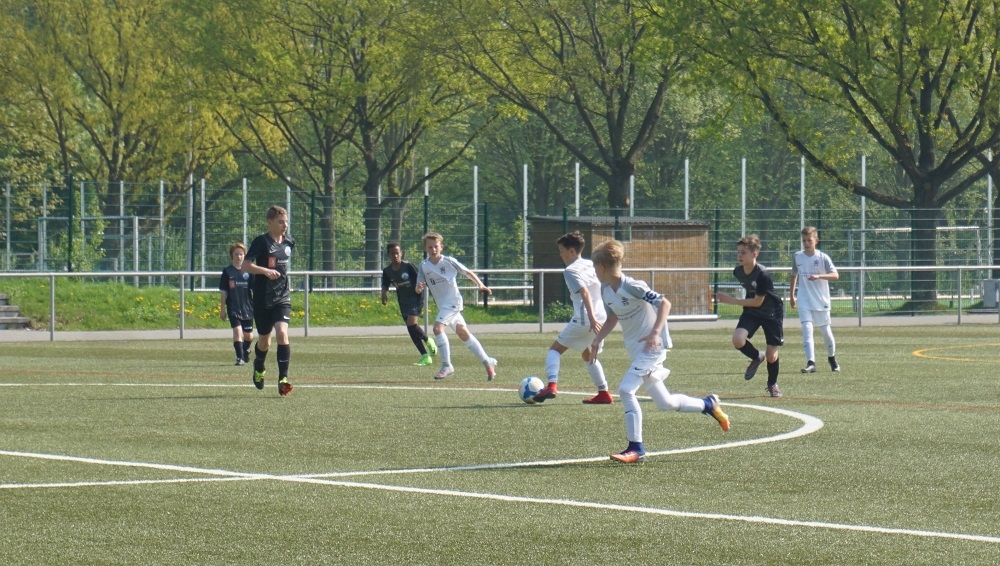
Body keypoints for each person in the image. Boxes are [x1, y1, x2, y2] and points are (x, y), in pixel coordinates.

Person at [589, 239, 730, 464]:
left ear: (601, 267)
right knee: (665, 403)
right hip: (636, 350)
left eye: (595, 267)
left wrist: (655, 333)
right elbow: (613, 317)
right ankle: (708, 404)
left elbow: (665, 303)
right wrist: (597, 339)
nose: (595, 272)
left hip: (652, 348)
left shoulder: (632, 286)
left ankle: (636, 448)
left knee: (626, 390)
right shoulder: (607, 290)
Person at [533, 231, 613, 404]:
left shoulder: (570, 270)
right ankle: (604, 393)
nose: (560, 255)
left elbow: (585, 292)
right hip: (601, 316)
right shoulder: (590, 264)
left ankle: (551, 385)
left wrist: (591, 318)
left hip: (586, 319)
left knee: (555, 350)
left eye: (562, 251)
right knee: (588, 354)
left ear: (571, 251)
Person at [415, 231, 498, 380]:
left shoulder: (449, 261)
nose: (433, 249)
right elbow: (418, 286)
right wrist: (419, 288)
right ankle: (487, 361)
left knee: (437, 328)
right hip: (443, 305)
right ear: (425, 248)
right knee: (463, 333)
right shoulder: (424, 266)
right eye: (430, 247)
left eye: (436, 246)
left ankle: (447, 365)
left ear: (441, 247)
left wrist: (480, 284)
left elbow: (467, 272)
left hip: (453, 301)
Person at [715, 234, 785, 397]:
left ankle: (772, 384)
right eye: (738, 252)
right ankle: (756, 356)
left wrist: (730, 300)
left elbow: (758, 302)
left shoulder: (763, 274)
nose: (739, 255)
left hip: (771, 312)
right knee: (738, 339)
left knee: (771, 355)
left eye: (743, 252)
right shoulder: (738, 272)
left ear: (755, 254)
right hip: (752, 311)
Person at [241, 205, 295, 396]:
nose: (285, 225)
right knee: (264, 340)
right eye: (281, 222)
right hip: (263, 298)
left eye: (286, 221)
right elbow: (245, 265)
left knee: (282, 333)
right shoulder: (261, 242)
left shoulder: (289, 242)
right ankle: (259, 365)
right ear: (269, 222)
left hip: (282, 297)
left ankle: (283, 379)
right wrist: (265, 271)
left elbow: (283, 268)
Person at [790, 226, 841, 373]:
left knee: (825, 332)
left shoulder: (823, 257)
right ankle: (811, 362)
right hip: (804, 299)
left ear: (816, 240)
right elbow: (794, 275)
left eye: (809, 240)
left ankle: (832, 359)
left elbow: (835, 275)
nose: (806, 243)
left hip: (820, 300)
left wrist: (819, 276)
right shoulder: (797, 256)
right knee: (807, 329)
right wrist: (792, 295)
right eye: (804, 240)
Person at [381, 241, 437, 366]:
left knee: (411, 323)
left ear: (401, 253)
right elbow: (385, 283)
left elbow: (421, 279)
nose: (395, 256)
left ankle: (428, 340)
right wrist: (383, 293)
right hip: (403, 300)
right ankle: (425, 356)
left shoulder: (408, 266)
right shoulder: (387, 271)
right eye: (392, 253)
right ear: (388, 255)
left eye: (397, 253)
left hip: (415, 297)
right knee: (411, 328)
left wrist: (432, 293)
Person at [219, 242, 254, 366]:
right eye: (236, 254)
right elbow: (224, 292)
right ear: (232, 256)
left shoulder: (249, 271)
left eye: (241, 254)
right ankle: (240, 358)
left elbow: (255, 290)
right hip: (233, 307)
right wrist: (222, 310)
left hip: (248, 308)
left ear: (244, 256)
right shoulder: (227, 272)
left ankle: (246, 349)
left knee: (248, 336)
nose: (239, 257)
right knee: (237, 331)